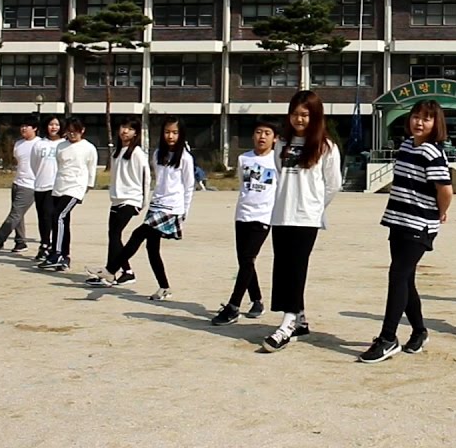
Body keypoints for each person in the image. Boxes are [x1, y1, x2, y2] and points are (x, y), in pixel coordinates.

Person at [359, 100, 454, 363]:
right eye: (415, 117)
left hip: (419, 224)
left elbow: (445, 190)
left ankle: (388, 338)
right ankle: (420, 331)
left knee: (397, 275)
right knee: (406, 278)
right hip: (397, 219)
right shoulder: (405, 146)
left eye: (426, 118)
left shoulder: (433, 153)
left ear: (436, 124)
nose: (419, 122)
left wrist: (440, 212)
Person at [261, 91, 342, 353]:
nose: (299, 119)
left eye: (305, 114)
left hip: (306, 217)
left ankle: (287, 323)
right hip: (281, 214)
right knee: (283, 267)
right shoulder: (281, 143)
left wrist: (315, 207)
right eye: (295, 113)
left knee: (295, 268)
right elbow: (280, 175)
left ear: (315, 116)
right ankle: (300, 318)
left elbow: (333, 185)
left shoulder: (326, 147)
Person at [89, 116, 195, 300]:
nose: (171, 136)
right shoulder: (157, 155)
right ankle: (164, 287)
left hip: (172, 208)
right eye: (168, 132)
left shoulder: (185, 158)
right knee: (152, 249)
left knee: (137, 234)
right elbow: (158, 181)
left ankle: (111, 270)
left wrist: (184, 212)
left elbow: (189, 186)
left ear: (181, 134)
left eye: (175, 133)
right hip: (156, 205)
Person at [211, 117, 281, 325]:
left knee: (248, 259)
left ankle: (233, 306)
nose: (262, 137)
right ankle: (257, 300)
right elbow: (243, 184)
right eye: (259, 132)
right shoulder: (244, 159)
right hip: (243, 214)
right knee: (245, 261)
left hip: (263, 217)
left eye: (267, 133)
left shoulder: (277, 161)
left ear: (275, 139)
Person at [85, 117, 150, 288]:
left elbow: (146, 179)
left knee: (115, 234)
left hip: (131, 200)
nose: (125, 131)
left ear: (136, 132)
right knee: (113, 236)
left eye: (129, 128)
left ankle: (112, 271)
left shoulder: (137, 153)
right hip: (116, 199)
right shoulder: (117, 153)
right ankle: (122, 272)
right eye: (123, 127)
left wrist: (142, 202)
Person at [40, 118, 98, 272]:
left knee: (57, 215)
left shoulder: (88, 148)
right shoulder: (61, 146)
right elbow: (60, 166)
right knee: (62, 221)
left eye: (76, 130)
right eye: (69, 130)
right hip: (59, 186)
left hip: (76, 188)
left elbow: (92, 168)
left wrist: (88, 186)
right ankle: (65, 256)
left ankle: (56, 253)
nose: (72, 134)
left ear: (82, 130)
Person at [0, 117, 41, 253]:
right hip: (18, 182)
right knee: (18, 214)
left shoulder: (40, 144)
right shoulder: (19, 143)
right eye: (22, 126)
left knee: (15, 214)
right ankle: (20, 242)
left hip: (31, 184)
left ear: (35, 128)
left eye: (27, 126)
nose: (23, 128)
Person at [31, 117, 65, 263]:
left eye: (57, 124)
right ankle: (44, 242)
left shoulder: (63, 144)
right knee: (42, 216)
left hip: (56, 186)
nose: (54, 127)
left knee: (51, 215)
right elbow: (34, 164)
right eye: (51, 124)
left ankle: (53, 246)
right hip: (40, 184)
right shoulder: (39, 144)